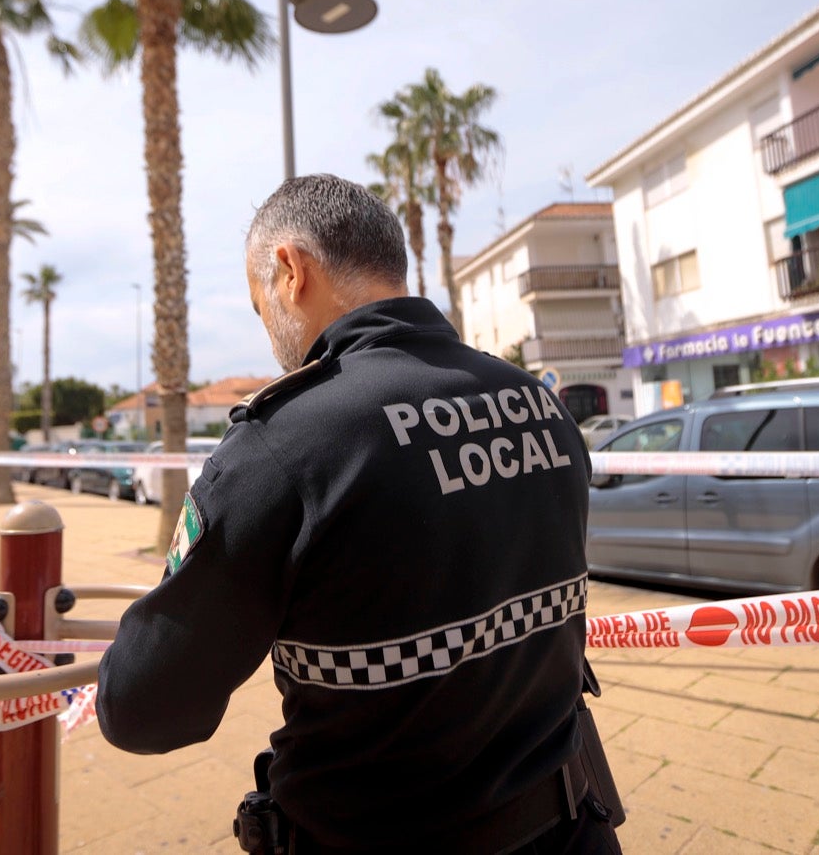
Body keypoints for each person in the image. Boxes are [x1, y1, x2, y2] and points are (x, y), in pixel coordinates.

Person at [98, 174, 622, 853]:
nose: (272, 338)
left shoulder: (284, 444)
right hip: (571, 831)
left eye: (261, 310)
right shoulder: (540, 404)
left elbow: (144, 710)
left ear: (291, 270)